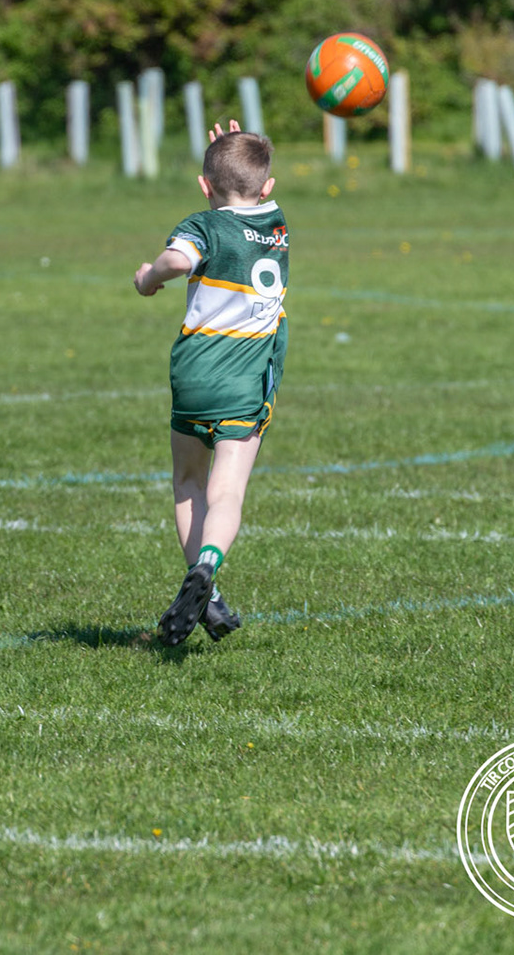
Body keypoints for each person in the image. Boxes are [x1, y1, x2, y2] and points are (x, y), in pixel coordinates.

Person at [131, 121, 286, 645]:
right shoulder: (277, 224)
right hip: (245, 379)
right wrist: (245, 150)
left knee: (188, 483)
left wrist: (147, 278)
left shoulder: (203, 224)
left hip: (193, 373)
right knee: (226, 491)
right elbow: (248, 190)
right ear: (267, 187)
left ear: (204, 186)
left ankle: (210, 597)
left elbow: (178, 259)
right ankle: (207, 566)